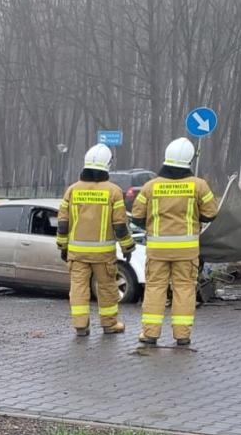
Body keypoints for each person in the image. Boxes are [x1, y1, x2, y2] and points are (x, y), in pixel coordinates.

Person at [129, 138, 218, 347]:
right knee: (185, 290)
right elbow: (211, 213)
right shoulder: (199, 185)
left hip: (158, 249)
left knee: (155, 289)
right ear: (190, 159)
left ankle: (150, 334)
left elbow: (137, 216)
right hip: (186, 251)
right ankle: (182, 335)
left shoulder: (151, 186)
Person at [57, 144, 135, 336]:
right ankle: (109, 324)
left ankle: (81, 326)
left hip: (77, 253)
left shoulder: (72, 190)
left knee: (79, 289)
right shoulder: (113, 191)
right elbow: (120, 225)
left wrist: (62, 246)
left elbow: (63, 222)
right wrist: (127, 247)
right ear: (107, 165)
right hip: (103, 254)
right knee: (107, 288)